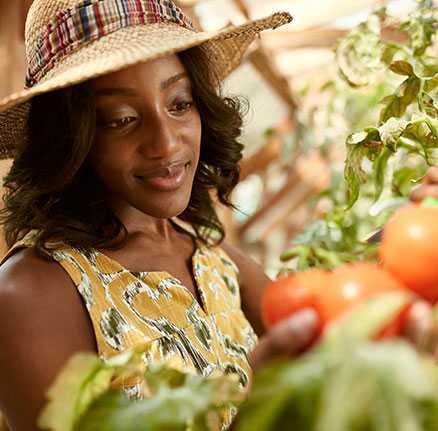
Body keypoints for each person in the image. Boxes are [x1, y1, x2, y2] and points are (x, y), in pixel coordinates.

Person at [0, 1, 436, 430]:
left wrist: (413, 232)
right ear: (69, 137)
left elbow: (333, 326)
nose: (167, 144)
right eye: (121, 119)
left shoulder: (213, 258)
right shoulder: (28, 293)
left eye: (180, 103)